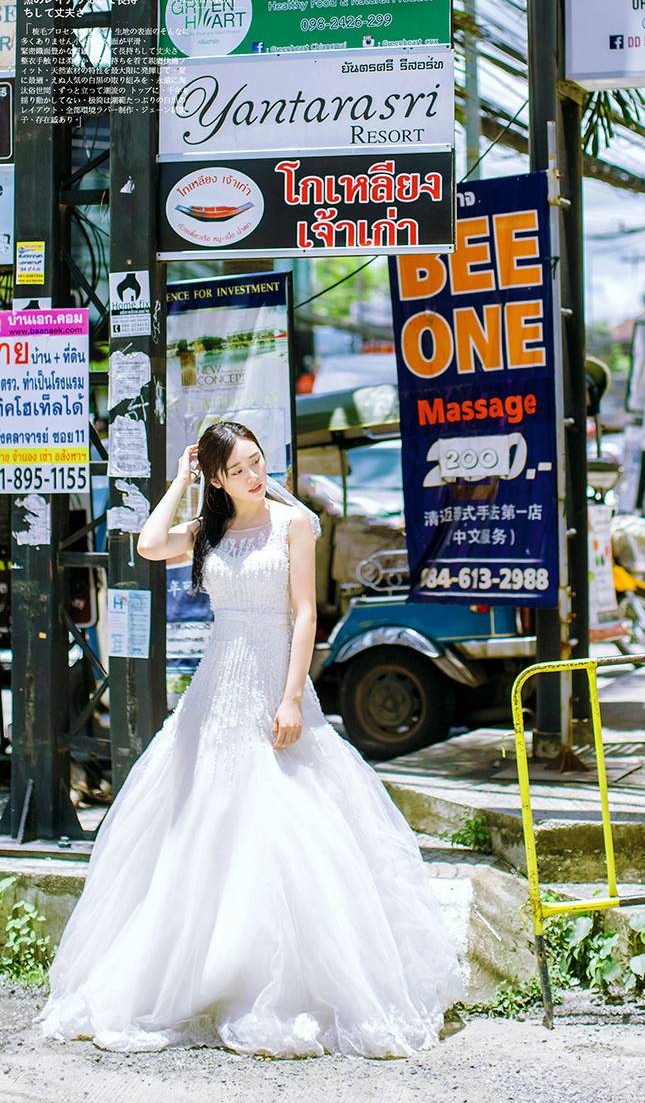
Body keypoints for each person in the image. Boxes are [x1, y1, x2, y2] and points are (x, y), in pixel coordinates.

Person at [35, 420, 463, 1057]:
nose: (254, 477)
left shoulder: (295, 523)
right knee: (202, 817)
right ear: (216, 478)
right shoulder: (208, 528)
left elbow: (306, 616)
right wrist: (180, 479)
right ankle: (200, 969)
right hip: (217, 682)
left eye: (257, 463)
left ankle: (293, 977)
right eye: (238, 471)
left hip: (272, 675)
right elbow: (150, 544)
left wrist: (292, 696)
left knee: (292, 814)